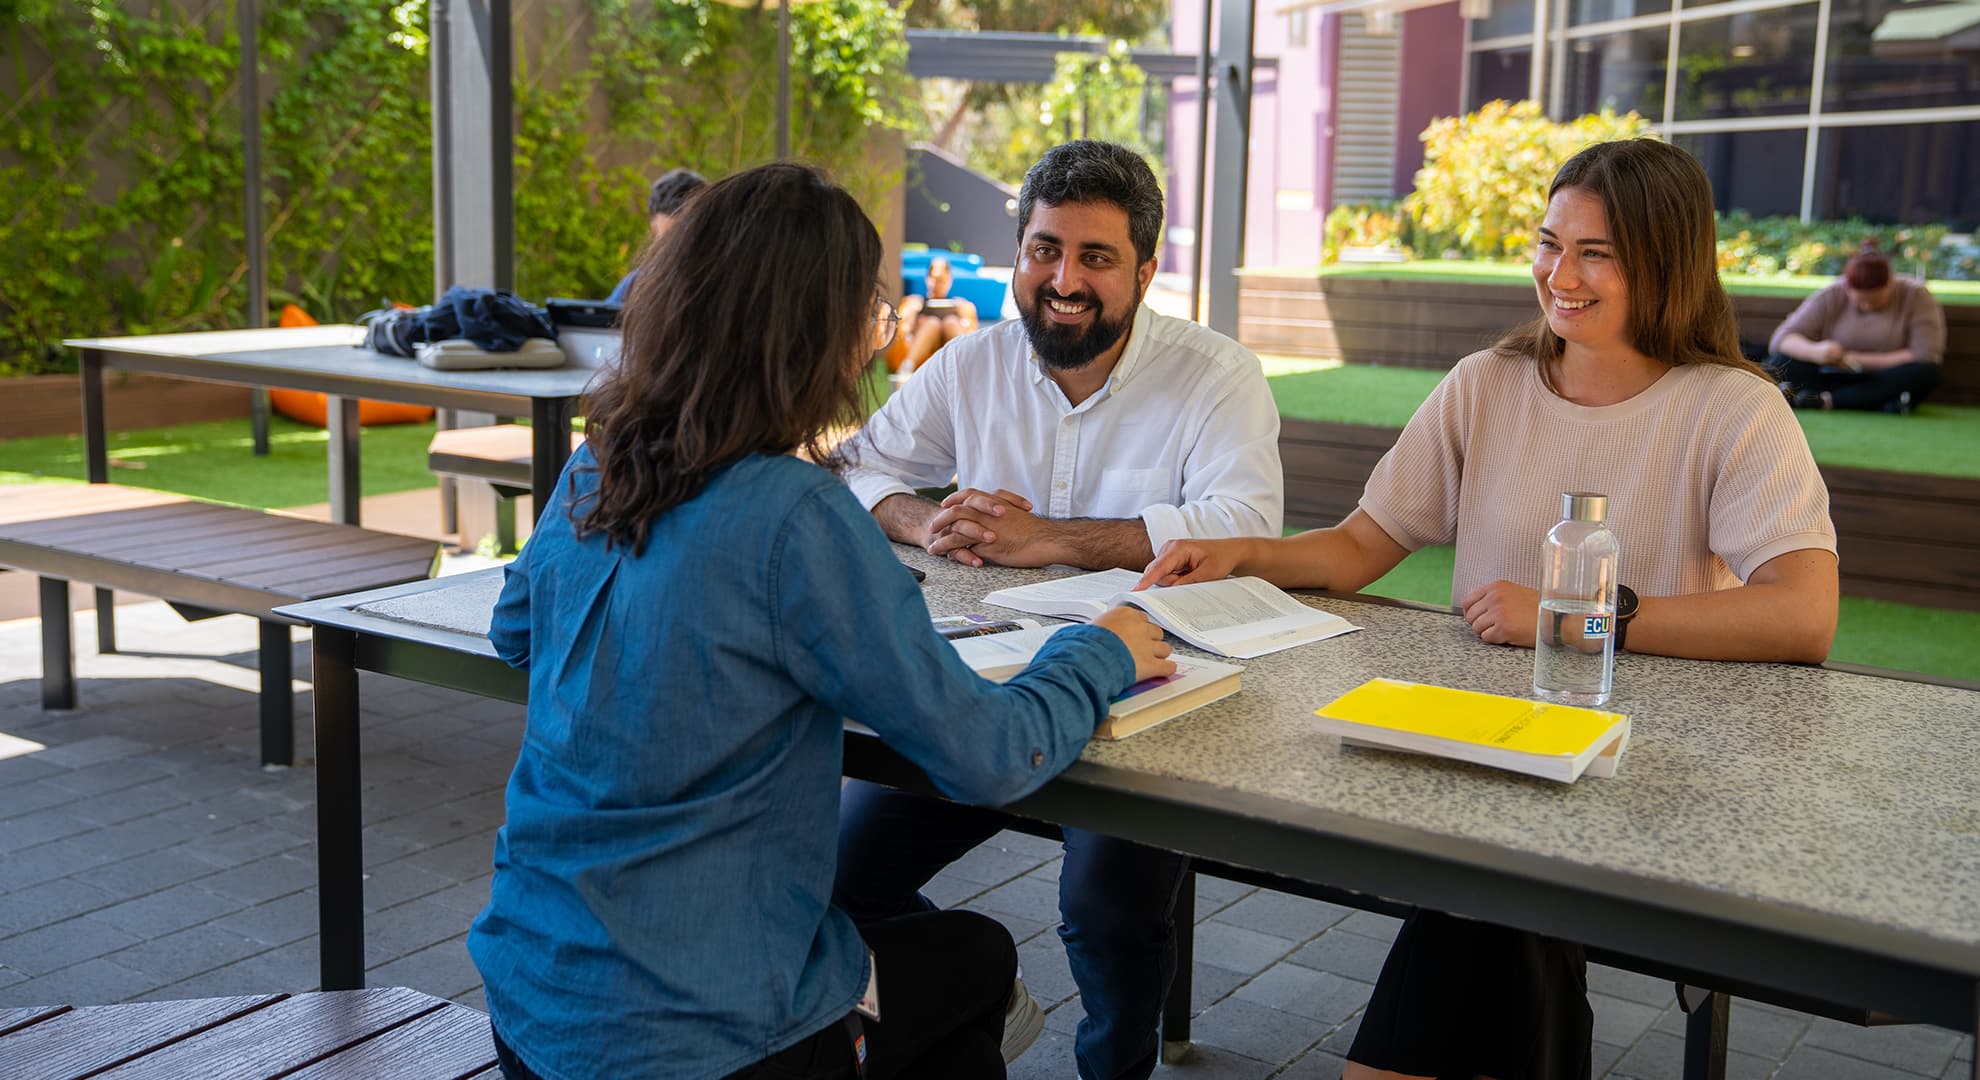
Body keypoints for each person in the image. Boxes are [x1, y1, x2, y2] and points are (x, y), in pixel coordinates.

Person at [1139, 138, 1838, 1080]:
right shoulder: (1487, 385)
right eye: (1550, 243)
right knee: (1499, 884)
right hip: (1476, 746)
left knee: (1500, 889)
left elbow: (1802, 615)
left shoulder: (1733, 412)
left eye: (1597, 253)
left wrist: (1579, 617)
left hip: (1640, 762)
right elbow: (1359, 545)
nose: (1560, 273)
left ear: (1666, 263)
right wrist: (1239, 554)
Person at [467, 162, 1176, 1080]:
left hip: (534, 1003)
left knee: (924, 981)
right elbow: (989, 756)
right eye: (870, 311)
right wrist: (1100, 650)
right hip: (705, 1033)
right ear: (818, 334)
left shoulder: (596, 468)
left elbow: (515, 630)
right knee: (978, 962)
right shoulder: (796, 516)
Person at [834, 139, 1284, 1080]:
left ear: (1147, 270)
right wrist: (921, 520)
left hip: (1146, 695)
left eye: (1095, 257)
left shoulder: (1217, 373)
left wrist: (1053, 540)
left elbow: (1244, 521)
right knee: (838, 874)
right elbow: (859, 467)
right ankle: (982, 991)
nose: (1062, 280)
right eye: (1044, 250)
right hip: (990, 691)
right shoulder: (971, 365)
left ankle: (1113, 1068)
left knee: (1108, 913)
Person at [1766, 240, 1946, 413]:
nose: (1867, 306)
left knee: (1926, 374)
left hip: (1882, 377)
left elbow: (1925, 354)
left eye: (1874, 301)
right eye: (1860, 301)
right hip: (1828, 373)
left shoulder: (1916, 295)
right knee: (1778, 363)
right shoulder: (1831, 294)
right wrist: (1816, 351)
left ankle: (1824, 400)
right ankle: (1877, 403)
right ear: (1846, 286)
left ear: (1890, 282)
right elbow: (1782, 339)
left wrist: (1852, 359)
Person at [604, 167, 708, 304]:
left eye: (689, 237)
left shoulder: (726, 281)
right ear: (653, 230)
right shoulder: (635, 284)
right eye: (667, 239)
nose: (678, 249)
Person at [885, 254, 980, 374]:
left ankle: (969, 367)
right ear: (927, 278)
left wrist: (963, 319)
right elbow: (903, 332)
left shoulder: (962, 306)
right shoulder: (913, 302)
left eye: (941, 280)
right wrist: (912, 315)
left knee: (950, 322)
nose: (936, 284)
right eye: (934, 279)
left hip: (949, 353)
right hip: (919, 354)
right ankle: (907, 367)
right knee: (932, 323)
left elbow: (972, 337)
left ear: (949, 280)